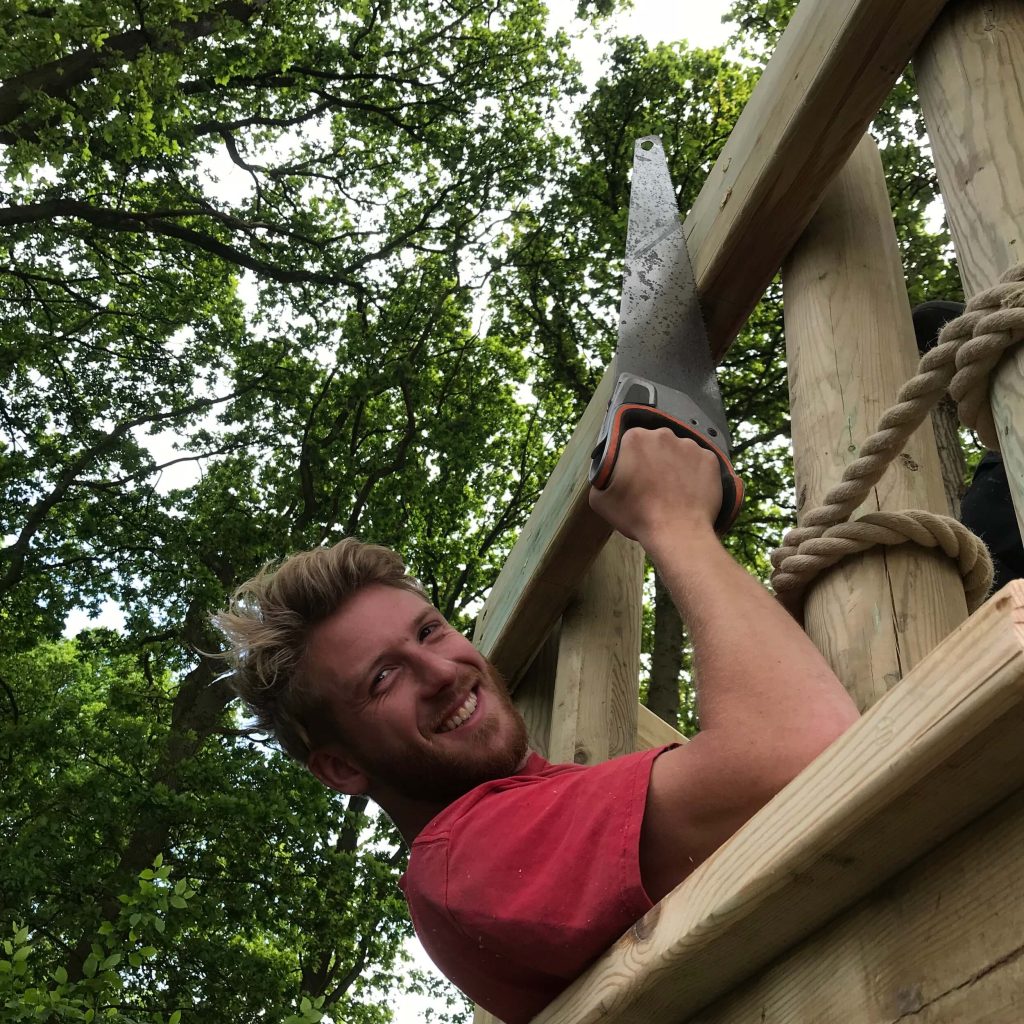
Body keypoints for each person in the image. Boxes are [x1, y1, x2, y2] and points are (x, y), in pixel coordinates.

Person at [216, 429, 860, 1024]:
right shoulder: (468, 854)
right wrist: (673, 519)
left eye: (429, 631)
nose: (440, 671)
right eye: (382, 678)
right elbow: (806, 753)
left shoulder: (538, 811)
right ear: (342, 766)